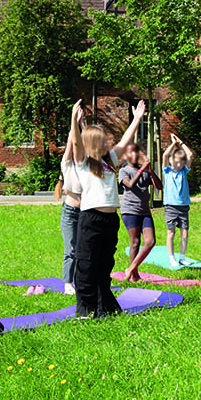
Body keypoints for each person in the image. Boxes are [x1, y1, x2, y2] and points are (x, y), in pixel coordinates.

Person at [70, 98, 146, 318]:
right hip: (91, 219)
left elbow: (124, 141)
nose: (107, 142)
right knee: (87, 266)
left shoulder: (109, 160)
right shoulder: (84, 162)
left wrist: (137, 119)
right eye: (103, 140)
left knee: (104, 266)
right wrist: (74, 121)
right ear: (93, 143)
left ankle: (106, 306)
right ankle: (85, 310)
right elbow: (76, 143)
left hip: (110, 220)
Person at [120, 145, 163, 282]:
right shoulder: (124, 171)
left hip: (144, 211)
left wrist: (150, 170)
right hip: (130, 210)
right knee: (135, 242)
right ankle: (135, 275)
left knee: (150, 241)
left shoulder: (145, 171)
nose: (135, 155)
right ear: (126, 156)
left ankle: (130, 269)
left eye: (136, 152)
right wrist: (142, 169)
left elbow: (159, 186)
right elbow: (130, 184)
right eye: (131, 153)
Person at [58, 111, 86, 295]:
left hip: (85, 212)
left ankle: (82, 280)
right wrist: (74, 123)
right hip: (70, 212)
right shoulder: (67, 164)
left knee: (84, 249)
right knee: (71, 248)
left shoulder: (86, 165)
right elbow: (70, 142)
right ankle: (68, 283)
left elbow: (90, 142)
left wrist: (83, 124)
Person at [161, 134, 193, 266]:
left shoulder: (184, 171)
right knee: (171, 232)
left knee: (184, 234)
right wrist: (173, 144)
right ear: (171, 160)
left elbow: (190, 154)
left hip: (183, 207)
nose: (179, 164)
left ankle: (182, 257)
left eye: (181, 162)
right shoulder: (167, 171)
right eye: (176, 161)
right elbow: (164, 155)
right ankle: (172, 258)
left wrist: (181, 142)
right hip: (170, 207)